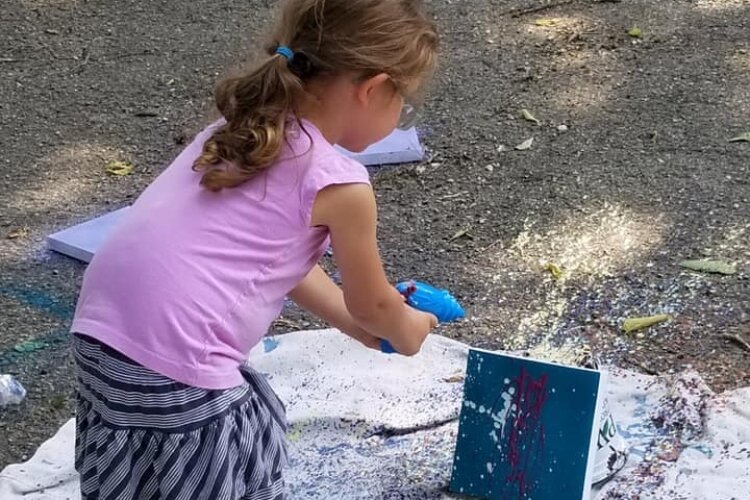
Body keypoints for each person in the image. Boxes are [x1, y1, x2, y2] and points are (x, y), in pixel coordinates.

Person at [69, 0, 439, 498]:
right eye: (405, 102)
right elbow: (373, 303)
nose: (401, 115)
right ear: (373, 89)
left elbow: (272, 262)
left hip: (101, 342)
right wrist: (405, 328)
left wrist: (356, 328)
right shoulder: (339, 183)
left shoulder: (238, 135)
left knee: (146, 476)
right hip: (180, 370)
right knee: (239, 452)